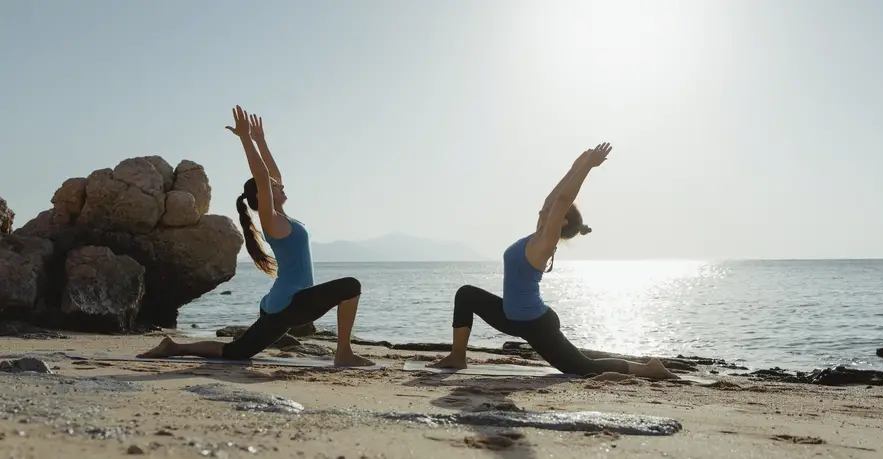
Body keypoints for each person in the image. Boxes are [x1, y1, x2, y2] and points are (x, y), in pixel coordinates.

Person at [138, 105, 374, 367]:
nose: (280, 185)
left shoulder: (283, 218)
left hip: (282, 305)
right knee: (351, 286)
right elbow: (263, 176)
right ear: (263, 196)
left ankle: (174, 347)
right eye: (274, 187)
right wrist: (245, 139)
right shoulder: (271, 221)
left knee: (236, 352)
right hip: (291, 303)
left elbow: (271, 175)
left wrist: (261, 140)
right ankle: (343, 353)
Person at [430, 142, 677, 379]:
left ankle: (648, 368)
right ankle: (457, 356)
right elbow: (555, 198)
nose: (542, 210)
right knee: (466, 294)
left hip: (535, 324)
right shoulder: (538, 233)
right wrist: (574, 167)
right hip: (509, 316)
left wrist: (588, 168)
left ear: (562, 221)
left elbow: (563, 200)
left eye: (549, 213)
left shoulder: (546, 241)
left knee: (583, 368)